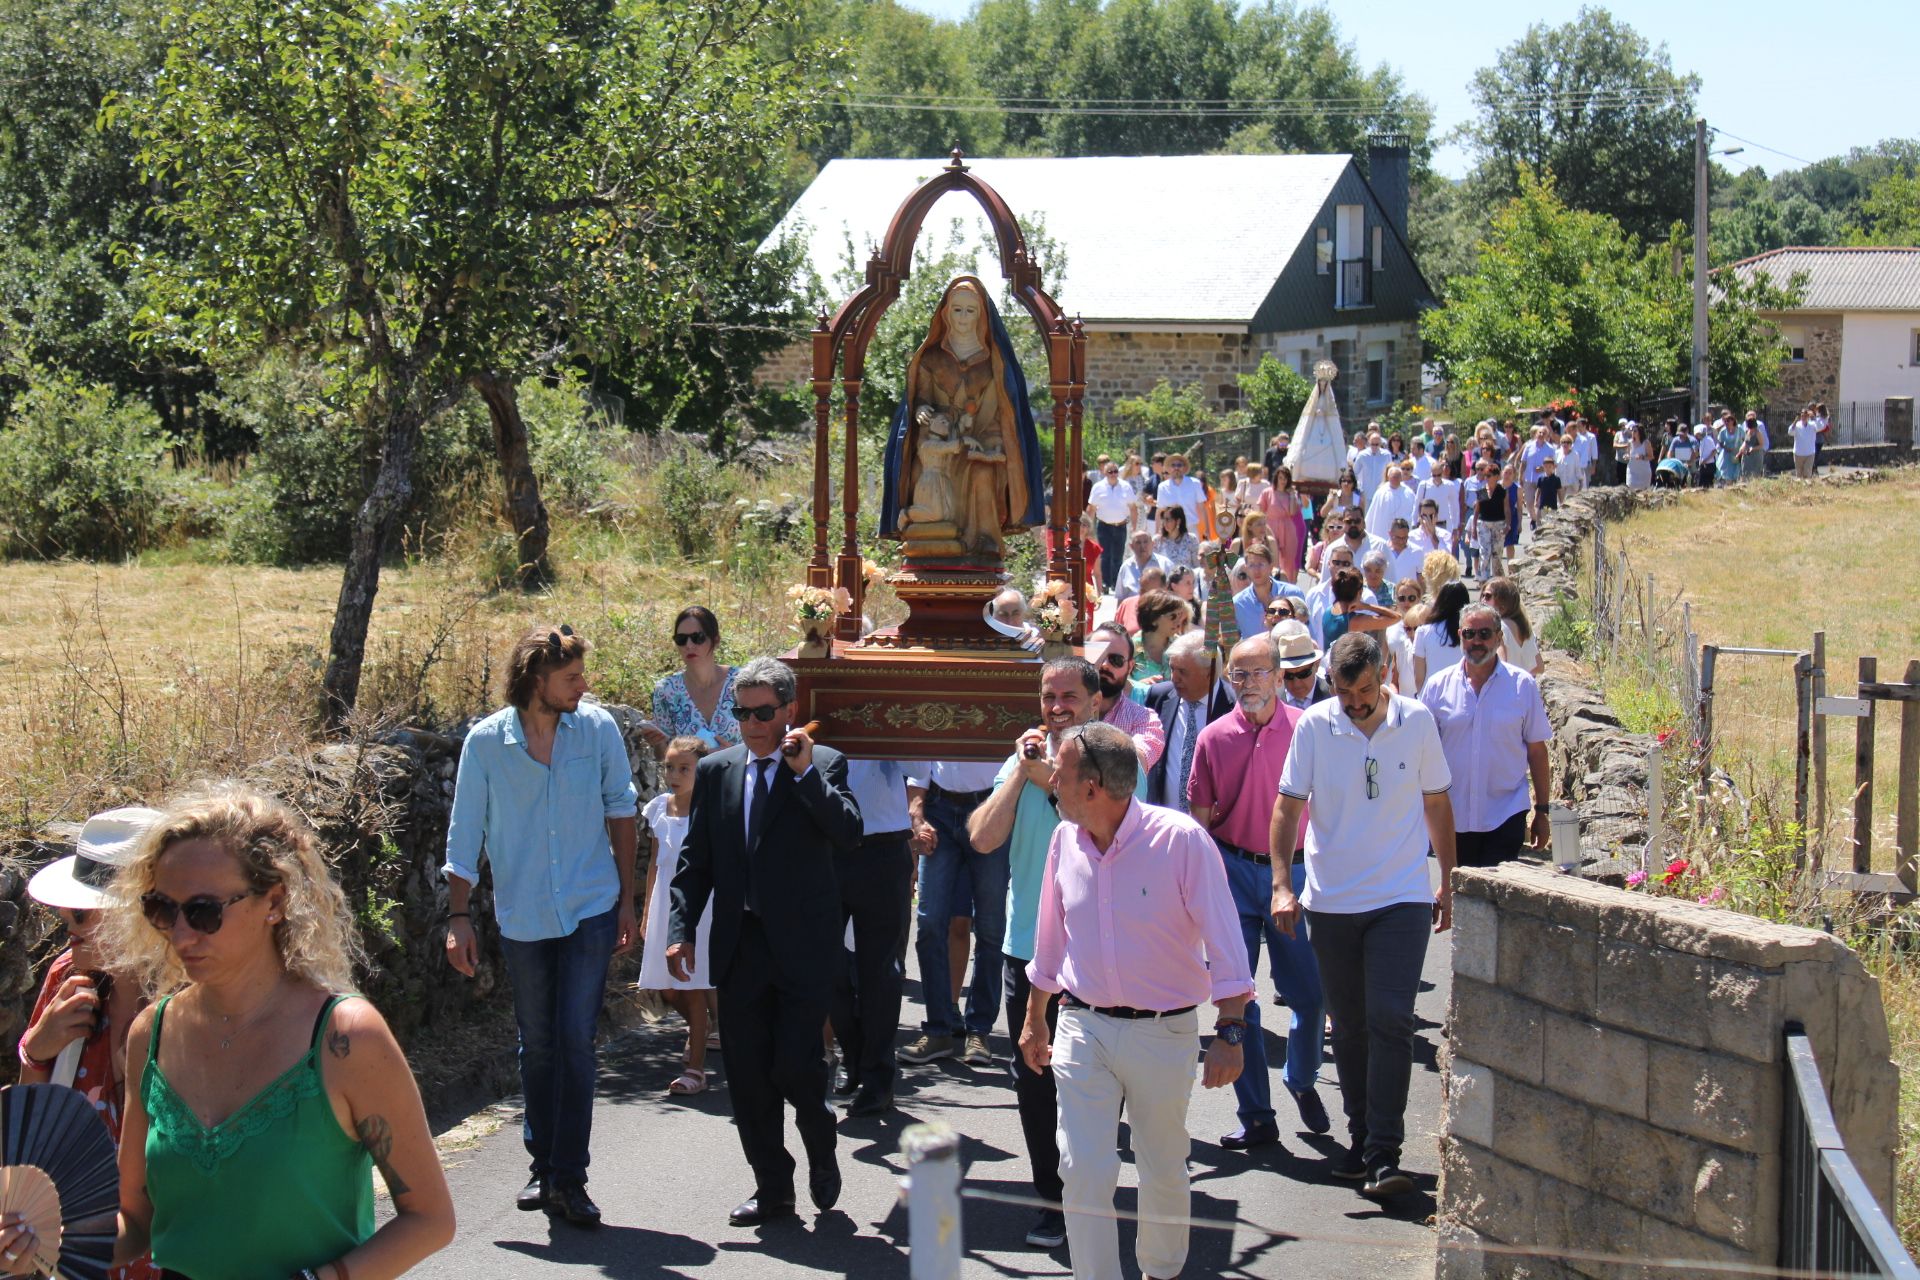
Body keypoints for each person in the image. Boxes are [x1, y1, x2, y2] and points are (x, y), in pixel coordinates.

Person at [96, 786, 454, 1279]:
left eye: (204, 911)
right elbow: (135, 1220)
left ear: (274, 902)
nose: (180, 935)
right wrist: (55, 1240)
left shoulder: (345, 1039)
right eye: (162, 909)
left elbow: (431, 1220)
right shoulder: (150, 1035)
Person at [1021, 723, 1251, 1280]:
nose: (1052, 778)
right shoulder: (1063, 840)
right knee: (1081, 1167)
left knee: (1163, 1166)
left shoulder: (1180, 841)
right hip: (1082, 1025)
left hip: (1163, 1031)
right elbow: (1049, 941)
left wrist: (1231, 1033)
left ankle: (1161, 1272)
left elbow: (1226, 942)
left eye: (1062, 771)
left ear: (1094, 786)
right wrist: (1035, 1019)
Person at [444, 624, 638, 1225]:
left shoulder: (598, 729)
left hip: (589, 908)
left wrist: (627, 901)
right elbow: (464, 831)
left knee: (576, 1040)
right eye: (571, 678)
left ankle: (568, 1178)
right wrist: (458, 915)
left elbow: (622, 809)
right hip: (524, 914)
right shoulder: (485, 743)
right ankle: (542, 1165)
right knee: (539, 1044)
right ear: (536, 681)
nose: (584, 687)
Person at [666, 657, 863, 1227]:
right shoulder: (718, 771)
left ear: (788, 711)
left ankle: (821, 1151)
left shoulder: (823, 763)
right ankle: (773, 1188)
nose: (751, 723)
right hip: (741, 945)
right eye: (742, 712)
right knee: (749, 1077)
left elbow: (848, 833)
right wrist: (681, 932)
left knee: (796, 1068)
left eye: (763, 712)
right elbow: (694, 861)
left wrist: (805, 775)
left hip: (803, 948)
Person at [1269, 632, 1457, 1198]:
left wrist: (1448, 879)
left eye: (1365, 691)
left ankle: (1384, 1151)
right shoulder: (1315, 725)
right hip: (1331, 902)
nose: (1354, 703)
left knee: (1391, 1018)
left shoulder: (1418, 721)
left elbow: (1437, 802)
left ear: (1386, 672)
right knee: (1348, 1028)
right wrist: (1283, 883)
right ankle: (1360, 1138)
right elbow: (1288, 806)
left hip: (1400, 898)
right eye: (1344, 692)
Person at [968, 658, 1108, 1251]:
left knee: (1094, 1086)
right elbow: (981, 837)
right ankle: (1052, 1201)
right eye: (1048, 696)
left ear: (1094, 702)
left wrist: (1049, 777)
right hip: (1026, 948)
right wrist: (1022, 777)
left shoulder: (1111, 757)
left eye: (1069, 696)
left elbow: (1101, 825)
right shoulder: (1020, 761)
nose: (1057, 707)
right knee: (1034, 1081)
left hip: (1096, 953)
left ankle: (1091, 1199)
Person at [1187, 635, 1329, 1149]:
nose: (1247, 685)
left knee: (1311, 996)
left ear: (1279, 674)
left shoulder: (1308, 729)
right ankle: (1257, 1115)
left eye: (1256, 673)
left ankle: (1301, 1077)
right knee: (1236, 996)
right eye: (1237, 676)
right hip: (1232, 873)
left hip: (1293, 874)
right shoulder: (1213, 737)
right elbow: (1198, 824)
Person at [14, 809, 162, 1280]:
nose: (66, 919)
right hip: (76, 1253)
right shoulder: (69, 979)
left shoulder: (193, 1005)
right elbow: (35, 1128)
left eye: (83, 909)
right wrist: (37, 1049)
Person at [1421, 604, 1554, 869]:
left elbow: (1537, 751)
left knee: (1494, 902)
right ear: (1460, 635)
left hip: (1505, 813)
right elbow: (1419, 752)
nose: (1477, 641)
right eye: (1470, 634)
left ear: (1498, 637)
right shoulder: (1437, 686)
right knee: (1454, 897)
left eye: (1484, 633)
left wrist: (1542, 811)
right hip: (1450, 815)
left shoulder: (1522, 685)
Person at [831, 757, 926, 1115]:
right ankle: (853, 1053)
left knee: (881, 972)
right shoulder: (817, 705)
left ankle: (878, 1078)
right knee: (825, 967)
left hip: (884, 847)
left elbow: (922, 764)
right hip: (828, 846)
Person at [901, 757, 1009, 1070]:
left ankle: (979, 1031)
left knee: (990, 928)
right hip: (938, 808)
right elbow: (922, 761)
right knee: (930, 923)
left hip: (990, 806)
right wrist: (917, 813)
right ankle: (939, 1029)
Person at [637, 737, 716, 1097]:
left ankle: (695, 1068)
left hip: (699, 907)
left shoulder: (712, 810)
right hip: (664, 905)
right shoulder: (658, 808)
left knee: (694, 985)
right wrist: (646, 913)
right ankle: (706, 1028)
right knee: (667, 984)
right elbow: (655, 863)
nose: (674, 774)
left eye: (684, 767)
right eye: (669, 766)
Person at [1144, 630, 1235, 811]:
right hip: (1163, 822)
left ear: (1209, 673)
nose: (1174, 678)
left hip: (1213, 829)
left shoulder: (1233, 707)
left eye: (1183, 672)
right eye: (1172, 669)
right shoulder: (1159, 697)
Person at [645, 606, 738, 753]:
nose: (689, 645)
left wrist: (730, 754)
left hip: (740, 774)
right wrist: (658, 744)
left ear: (716, 640)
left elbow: (764, 736)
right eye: (681, 640)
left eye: (697, 638)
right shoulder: (666, 691)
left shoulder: (742, 682)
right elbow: (665, 757)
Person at [1083, 624, 1168, 767]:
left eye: (1116, 660)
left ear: (1130, 666)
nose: (1104, 665)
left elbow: (1139, 761)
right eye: (1097, 656)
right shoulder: (1063, 706)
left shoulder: (1144, 718)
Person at [1232, 541, 1305, 642]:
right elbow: (1232, 639)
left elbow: (1306, 629)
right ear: (1246, 569)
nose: (1256, 570)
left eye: (1261, 564)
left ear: (1271, 566)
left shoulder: (1293, 594)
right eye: (1252, 565)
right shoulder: (1238, 603)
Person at [1087, 461, 1137, 591]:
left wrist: (1135, 528)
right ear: (1105, 472)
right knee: (1104, 555)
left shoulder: (1126, 486)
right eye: (1110, 472)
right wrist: (1088, 529)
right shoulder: (1098, 487)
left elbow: (1133, 508)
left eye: (1115, 471)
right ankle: (1105, 583)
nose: (1113, 474)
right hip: (1104, 526)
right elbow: (1091, 508)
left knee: (1118, 556)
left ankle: (1116, 582)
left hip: (1121, 525)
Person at [1129, 590, 1193, 693]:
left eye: (1179, 615)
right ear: (1154, 618)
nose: (1178, 622)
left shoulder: (1182, 647)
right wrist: (1139, 685)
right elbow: (1118, 686)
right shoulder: (1129, 648)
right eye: (1173, 616)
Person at [1413, 580, 1471, 692]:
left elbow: (1419, 677)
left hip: (1432, 696)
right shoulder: (1472, 633)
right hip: (1463, 695)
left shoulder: (1423, 632)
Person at [1481, 577, 1542, 677]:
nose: (1482, 600)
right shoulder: (1525, 629)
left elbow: (1500, 667)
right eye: (1482, 595)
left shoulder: (1499, 629)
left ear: (1503, 604)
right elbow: (1539, 666)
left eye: (1487, 596)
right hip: (1523, 689)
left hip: (1505, 690)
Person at [1258, 464, 1307, 577]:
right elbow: (1261, 511)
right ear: (1276, 478)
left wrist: (1292, 496)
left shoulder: (1290, 494)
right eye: (1280, 478)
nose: (1283, 481)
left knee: (1289, 557)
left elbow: (1292, 512)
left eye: (1285, 478)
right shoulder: (1267, 492)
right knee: (1270, 554)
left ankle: (1288, 581)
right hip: (1270, 525)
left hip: (1288, 527)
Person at [1274, 624, 1331, 710]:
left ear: (1316, 665)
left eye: (1304, 673)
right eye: (1288, 675)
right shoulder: (1273, 700)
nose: (1296, 683)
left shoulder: (1333, 695)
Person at [1466, 462, 1508, 579]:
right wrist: (1473, 529)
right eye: (1485, 476)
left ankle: (1497, 579)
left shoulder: (1501, 491)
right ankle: (1483, 579)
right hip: (1483, 523)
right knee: (1484, 553)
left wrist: (1508, 524)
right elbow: (1477, 511)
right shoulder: (1483, 491)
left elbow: (1507, 509)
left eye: (1489, 475)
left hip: (1499, 524)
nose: (1486, 478)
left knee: (1496, 554)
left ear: (1496, 476)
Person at [1153, 453, 1208, 541]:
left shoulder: (1194, 483)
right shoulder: (1162, 487)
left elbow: (1202, 508)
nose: (1176, 468)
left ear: (1184, 468)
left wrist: (1207, 530)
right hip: (1169, 531)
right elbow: (1160, 511)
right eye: (1173, 465)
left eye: (1179, 465)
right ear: (1169, 468)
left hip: (1190, 530)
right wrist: (1156, 533)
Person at [1384, 578, 1424, 693]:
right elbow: (1386, 657)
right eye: (1402, 598)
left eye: (1411, 598)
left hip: (1418, 685)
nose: (1407, 603)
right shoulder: (1389, 624)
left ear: (1419, 598)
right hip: (1394, 685)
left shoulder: (1426, 623)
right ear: (1396, 599)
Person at [1114, 529, 1170, 603]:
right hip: (1132, 611)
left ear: (1153, 544)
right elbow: (1121, 598)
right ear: (1131, 546)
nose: (1142, 546)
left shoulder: (1165, 564)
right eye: (1138, 542)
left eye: (1146, 542)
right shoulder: (1126, 567)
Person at [1364, 465, 1417, 539]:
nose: (1395, 479)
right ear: (1388, 477)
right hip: (1384, 531)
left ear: (1401, 478)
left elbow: (1413, 511)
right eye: (1393, 477)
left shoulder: (1408, 493)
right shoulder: (1381, 492)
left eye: (1397, 477)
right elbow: (1374, 513)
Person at [1151, 503, 1198, 573]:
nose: (1164, 523)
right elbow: (1153, 566)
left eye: (1168, 519)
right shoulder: (1157, 541)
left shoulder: (1191, 539)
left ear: (1178, 521)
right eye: (1163, 519)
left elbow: (1197, 565)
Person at [1788, 407, 1820, 479]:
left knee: (1807, 472)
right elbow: (1790, 432)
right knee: (1799, 474)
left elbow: (1819, 427)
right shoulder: (1797, 425)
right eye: (1802, 415)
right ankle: (1801, 489)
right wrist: (1795, 421)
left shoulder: (1812, 425)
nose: (1803, 417)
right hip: (1798, 453)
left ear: (1808, 416)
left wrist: (1814, 417)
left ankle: (1807, 488)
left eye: (1805, 415)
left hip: (1810, 453)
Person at [1619, 422, 1652, 491]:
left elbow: (1651, 457)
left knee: (1644, 493)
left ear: (1640, 432)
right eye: (1632, 430)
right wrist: (1626, 456)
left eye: (1635, 431)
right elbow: (1628, 454)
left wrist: (1642, 457)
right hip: (1632, 471)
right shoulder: (1630, 443)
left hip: (1643, 472)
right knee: (1631, 490)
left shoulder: (1646, 443)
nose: (1633, 432)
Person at [1533, 456, 1562, 524]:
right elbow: (1538, 490)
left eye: (1550, 467)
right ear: (1543, 467)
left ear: (1553, 467)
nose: (1548, 468)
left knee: (1551, 523)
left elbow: (1559, 491)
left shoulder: (1556, 479)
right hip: (1543, 505)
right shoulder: (1541, 478)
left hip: (1553, 505)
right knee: (1542, 522)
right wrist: (1536, 500)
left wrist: (1561, 502)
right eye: (1546, 466)